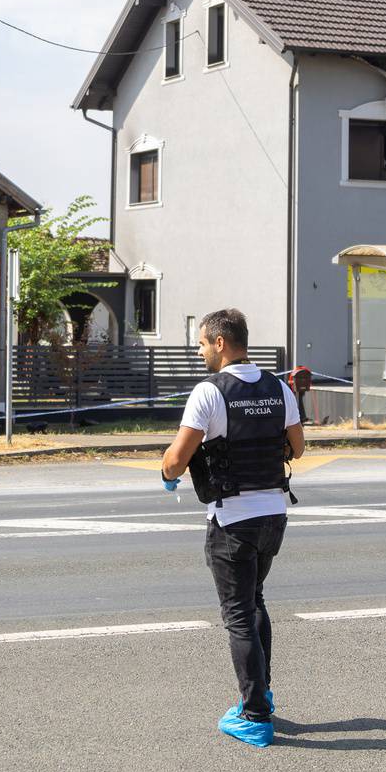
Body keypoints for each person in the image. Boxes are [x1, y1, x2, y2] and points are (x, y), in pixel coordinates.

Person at [160, 308, 304, 747]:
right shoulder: (279, 387)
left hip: (232, 520)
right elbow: (296, 449)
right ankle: (262, 694)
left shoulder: (209, 392)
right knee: (255, 602)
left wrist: (167, 474)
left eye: (202, 343)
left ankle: (255, 715)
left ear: (221, 343)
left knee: (239, 615)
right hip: (273, 515)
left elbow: (175, 460)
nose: (200, 351)